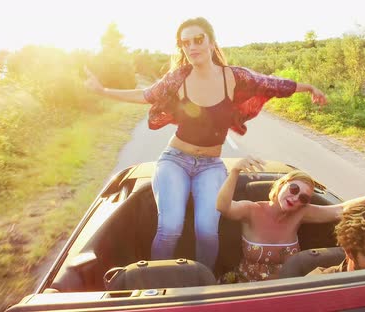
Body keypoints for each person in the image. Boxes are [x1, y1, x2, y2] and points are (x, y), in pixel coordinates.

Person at [84, 17, 327, 270]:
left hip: (210, 165)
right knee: (170, 227)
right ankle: (155, 278)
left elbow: (274, 84)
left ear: (211, 43)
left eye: (198, 39)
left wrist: (308, 87)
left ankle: (205, 282)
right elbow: (146, 95)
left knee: (207, 231)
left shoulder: (233, 77)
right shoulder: (177, 78)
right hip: (175, 159)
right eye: (185, 43)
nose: (192, 47)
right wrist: (102, 91)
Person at [216, 156, 365, 282]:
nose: (296, 197)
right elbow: (223, 207)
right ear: (280, 186)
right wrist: (234, 171)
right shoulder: (251, 210)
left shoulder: (301, 214)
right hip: (248, 285)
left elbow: (341, 210)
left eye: (303, 197)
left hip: (289, 287)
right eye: (293, 189)